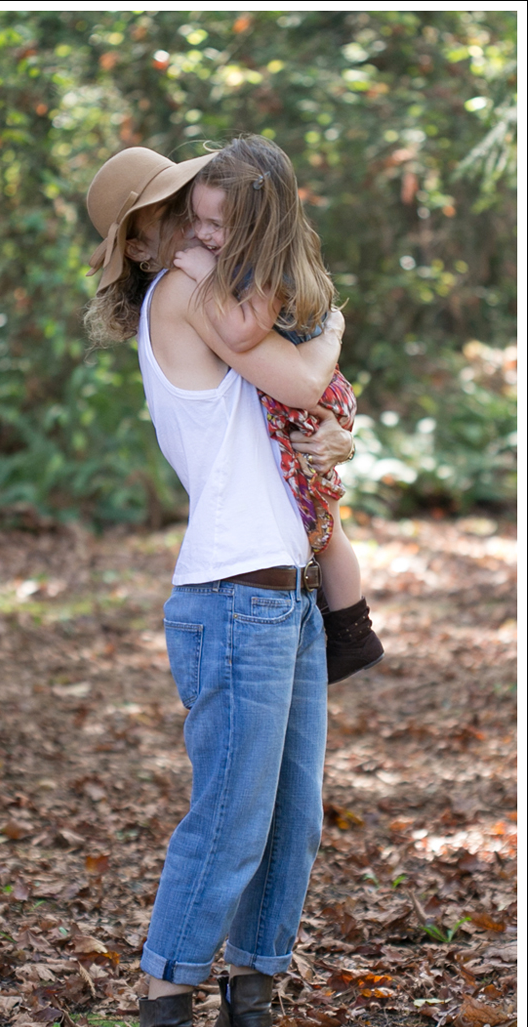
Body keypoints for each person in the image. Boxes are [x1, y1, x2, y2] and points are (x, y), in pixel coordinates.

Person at [85, 146, 353, 1027]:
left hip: (283, 590)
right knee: (229, 825)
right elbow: (300, 382)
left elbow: (295, 412)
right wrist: (333, 337)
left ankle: (248, 1021)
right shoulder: (183, 292)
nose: (201, 233)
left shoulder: (221, 295)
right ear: (145, 236)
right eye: (182, 217)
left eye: (208, 215)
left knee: (290, 822)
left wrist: (332, 425)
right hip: (233, 597)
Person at [172, 135, 383, 684]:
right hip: (316, 388)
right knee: (323, 521)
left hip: (315, 395)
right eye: (197, 220)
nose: (202, 234)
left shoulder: (263, 266)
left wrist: (201, 274)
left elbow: (242, 335)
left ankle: (352, 633)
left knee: (324, 523)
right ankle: (349, 628)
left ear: (256, 226)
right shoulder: (270, 252)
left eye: (215, 225)